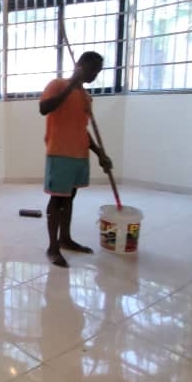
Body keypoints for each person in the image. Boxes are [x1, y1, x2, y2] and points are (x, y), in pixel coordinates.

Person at [39, 51, 113, 268]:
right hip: (59, 153)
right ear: (80, 65)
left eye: (98, 72)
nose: (95, 75)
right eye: (93, 70)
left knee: (69, 198)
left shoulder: (86, 97)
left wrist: (99, 154)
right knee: (57, 200)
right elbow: (44, 108)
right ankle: (53, 247)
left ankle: (65, 239)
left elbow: (82, 129)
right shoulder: (57, 85)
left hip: (79, 154)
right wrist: (71, 85)